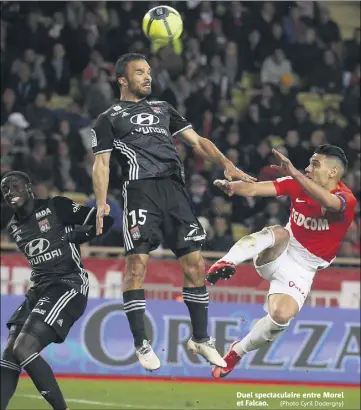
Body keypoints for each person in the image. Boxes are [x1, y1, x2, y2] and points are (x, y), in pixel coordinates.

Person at [91, 52, 256, 371]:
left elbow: (197, 142)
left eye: (149, 71)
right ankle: (141, 342)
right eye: (139, 72)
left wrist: (225, 163)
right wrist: (101, 201)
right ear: (122, 80)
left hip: (174, 191)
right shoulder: (109, 117)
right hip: (140, 192)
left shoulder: (163, 108)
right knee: (137, 264)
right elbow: (101, 163)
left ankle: (201, 339)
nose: (147, 77)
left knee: (195, 264)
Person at [207, 145, 356, 379]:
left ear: (333, 172)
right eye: (308, 164)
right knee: (281, 232)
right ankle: (225, 262)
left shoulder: (345, 199)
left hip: (303, 270)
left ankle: (236, 352)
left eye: (315, 164)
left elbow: (329, 204)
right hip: (279, 252)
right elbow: (255, 189)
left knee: (281, 316)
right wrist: (233, 187)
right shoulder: (296, 183)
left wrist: (295, 173)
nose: (307, 168)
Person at [0, 171, 113, 409]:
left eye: (15, 186)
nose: (10, 192)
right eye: (5, 189)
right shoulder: (13, 227)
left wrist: (78, 235)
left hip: (68, 283)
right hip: (39, 288)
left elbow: (105, 220)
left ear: (29, 188)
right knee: (9, 355)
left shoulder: (56, 206)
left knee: (23, 347)